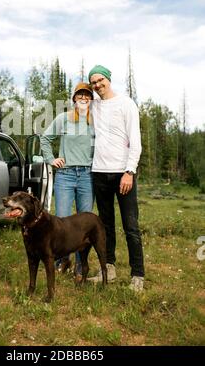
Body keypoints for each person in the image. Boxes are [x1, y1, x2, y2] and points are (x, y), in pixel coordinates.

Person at [87, 65, 145, 292]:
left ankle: (137, 275)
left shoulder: (126, 104)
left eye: (100, 80)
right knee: (105, 226)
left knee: (131, 226)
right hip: (100, 172)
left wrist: (129, 171)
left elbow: (135, 141)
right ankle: (107, 269)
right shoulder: (94, 106)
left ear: (108, 79)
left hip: (123, 173)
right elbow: (77, 100)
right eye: (93, 82)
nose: (97, 85)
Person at [40, 82, 94, 280]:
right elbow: (45, 139)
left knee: (84, 224)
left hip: (88, 176)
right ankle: (61, 260)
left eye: (87, 95)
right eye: (80, 94)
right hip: (65, 175)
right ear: (74, 98)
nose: (83, 98)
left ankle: (81, 267)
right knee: (61, 221)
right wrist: (51, 159)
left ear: (91, 99)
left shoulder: (94, 121)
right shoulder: (64, 119)